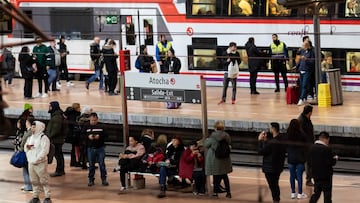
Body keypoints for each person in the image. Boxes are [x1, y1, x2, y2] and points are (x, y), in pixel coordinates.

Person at [24, 121, 52, 203]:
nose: (32, 128)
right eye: (32, 127)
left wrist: (37, 159)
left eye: (34, 127)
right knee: (34, 180)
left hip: (40, 163)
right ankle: (35, 197)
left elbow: (45, 151)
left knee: (44, 180)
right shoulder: (30, 137)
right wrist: (28, 149)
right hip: (31, 163)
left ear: (39, 127)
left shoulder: (44, 138)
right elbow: (25, 148)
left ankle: (47, 197)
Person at [258, 122, 286, 203]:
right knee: (275, 184)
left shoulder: (272, 143)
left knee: (273, 186)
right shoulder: (281, 139)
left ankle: (276, 200)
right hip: (278, 167)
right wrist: (266, 141)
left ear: (273, 129)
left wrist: (260, 141)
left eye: (270, 128)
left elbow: (261, 151)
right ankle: (276, 199)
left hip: (270, 168)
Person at [205, 120, 232, 198]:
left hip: (215, 159)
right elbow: (229, 143)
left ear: (215, 128)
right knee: (225, 176)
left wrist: (207, 140)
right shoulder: (226, 136)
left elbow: (207, 145)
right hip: (225, 159)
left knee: (216, 176)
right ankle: (228, 193)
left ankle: (216, 192)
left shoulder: (213, 136)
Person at [308, 131, 338, 203]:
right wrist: (335, 159)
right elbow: (330, 162)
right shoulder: (327, 149)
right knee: (327, 195)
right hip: (326, 176)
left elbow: (309, 162)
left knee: (316, 193)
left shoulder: (312, 147)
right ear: (326, 139)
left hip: (316, 175)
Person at [84, 112, 109, 187]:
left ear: (97, 119)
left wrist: (100, 136)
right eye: (92, 120)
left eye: (94, 120)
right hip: (90, 148)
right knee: (91, 165)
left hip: (100, 148)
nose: (93, 122)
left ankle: (104, 179)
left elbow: (106, 135)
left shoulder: (102, 126)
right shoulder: (86, 126)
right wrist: (88, 137)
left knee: (102, 164)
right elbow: (82, 135)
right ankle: (91, 179)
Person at [286, 119, 308, 199]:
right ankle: (300, 193)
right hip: (300, 157)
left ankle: (293, 193)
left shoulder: (288, 134)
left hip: (291, 157)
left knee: (292, 176)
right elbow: (306, 145)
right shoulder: (302, 134)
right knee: (299, 176)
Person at [46, 101, 65, 177]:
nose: (49, 108)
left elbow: (56, 129)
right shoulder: (56, 115)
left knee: (58, 155)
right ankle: (60, 170)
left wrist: (49, 136)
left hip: (57, 139)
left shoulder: (57, 117)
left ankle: (59, 170)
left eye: (50, 106)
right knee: (59, 155)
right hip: (57, 139)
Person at [297, 104, 315, 186]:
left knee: (308, 163)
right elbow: (301, 133)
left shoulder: (307, 119)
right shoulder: (301, 120)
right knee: (307, 163)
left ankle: (307, 178)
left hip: (308, 144)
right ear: (310, 112)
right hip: (304, 145)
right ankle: (308, 180)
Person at [296, 41, 315, 106]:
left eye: (304, 45)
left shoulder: (311, 52)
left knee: (304, 84)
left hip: (307, 70)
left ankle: (301, 99)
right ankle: (304, 97)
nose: (302, 46)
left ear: (307, 45)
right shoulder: (302, 51)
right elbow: (300, 60)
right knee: (301, 85)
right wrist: (297, 66)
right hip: (301, 70)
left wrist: (306, 59)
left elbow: (312, 62)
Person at [64, 103, 81, 167]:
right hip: (74, 134)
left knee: (74, 149)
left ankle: (74, 162)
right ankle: (75, 162)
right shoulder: (75, 115)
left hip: (71, 134)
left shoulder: (69, 114)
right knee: (76, 148)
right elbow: (74, 124)